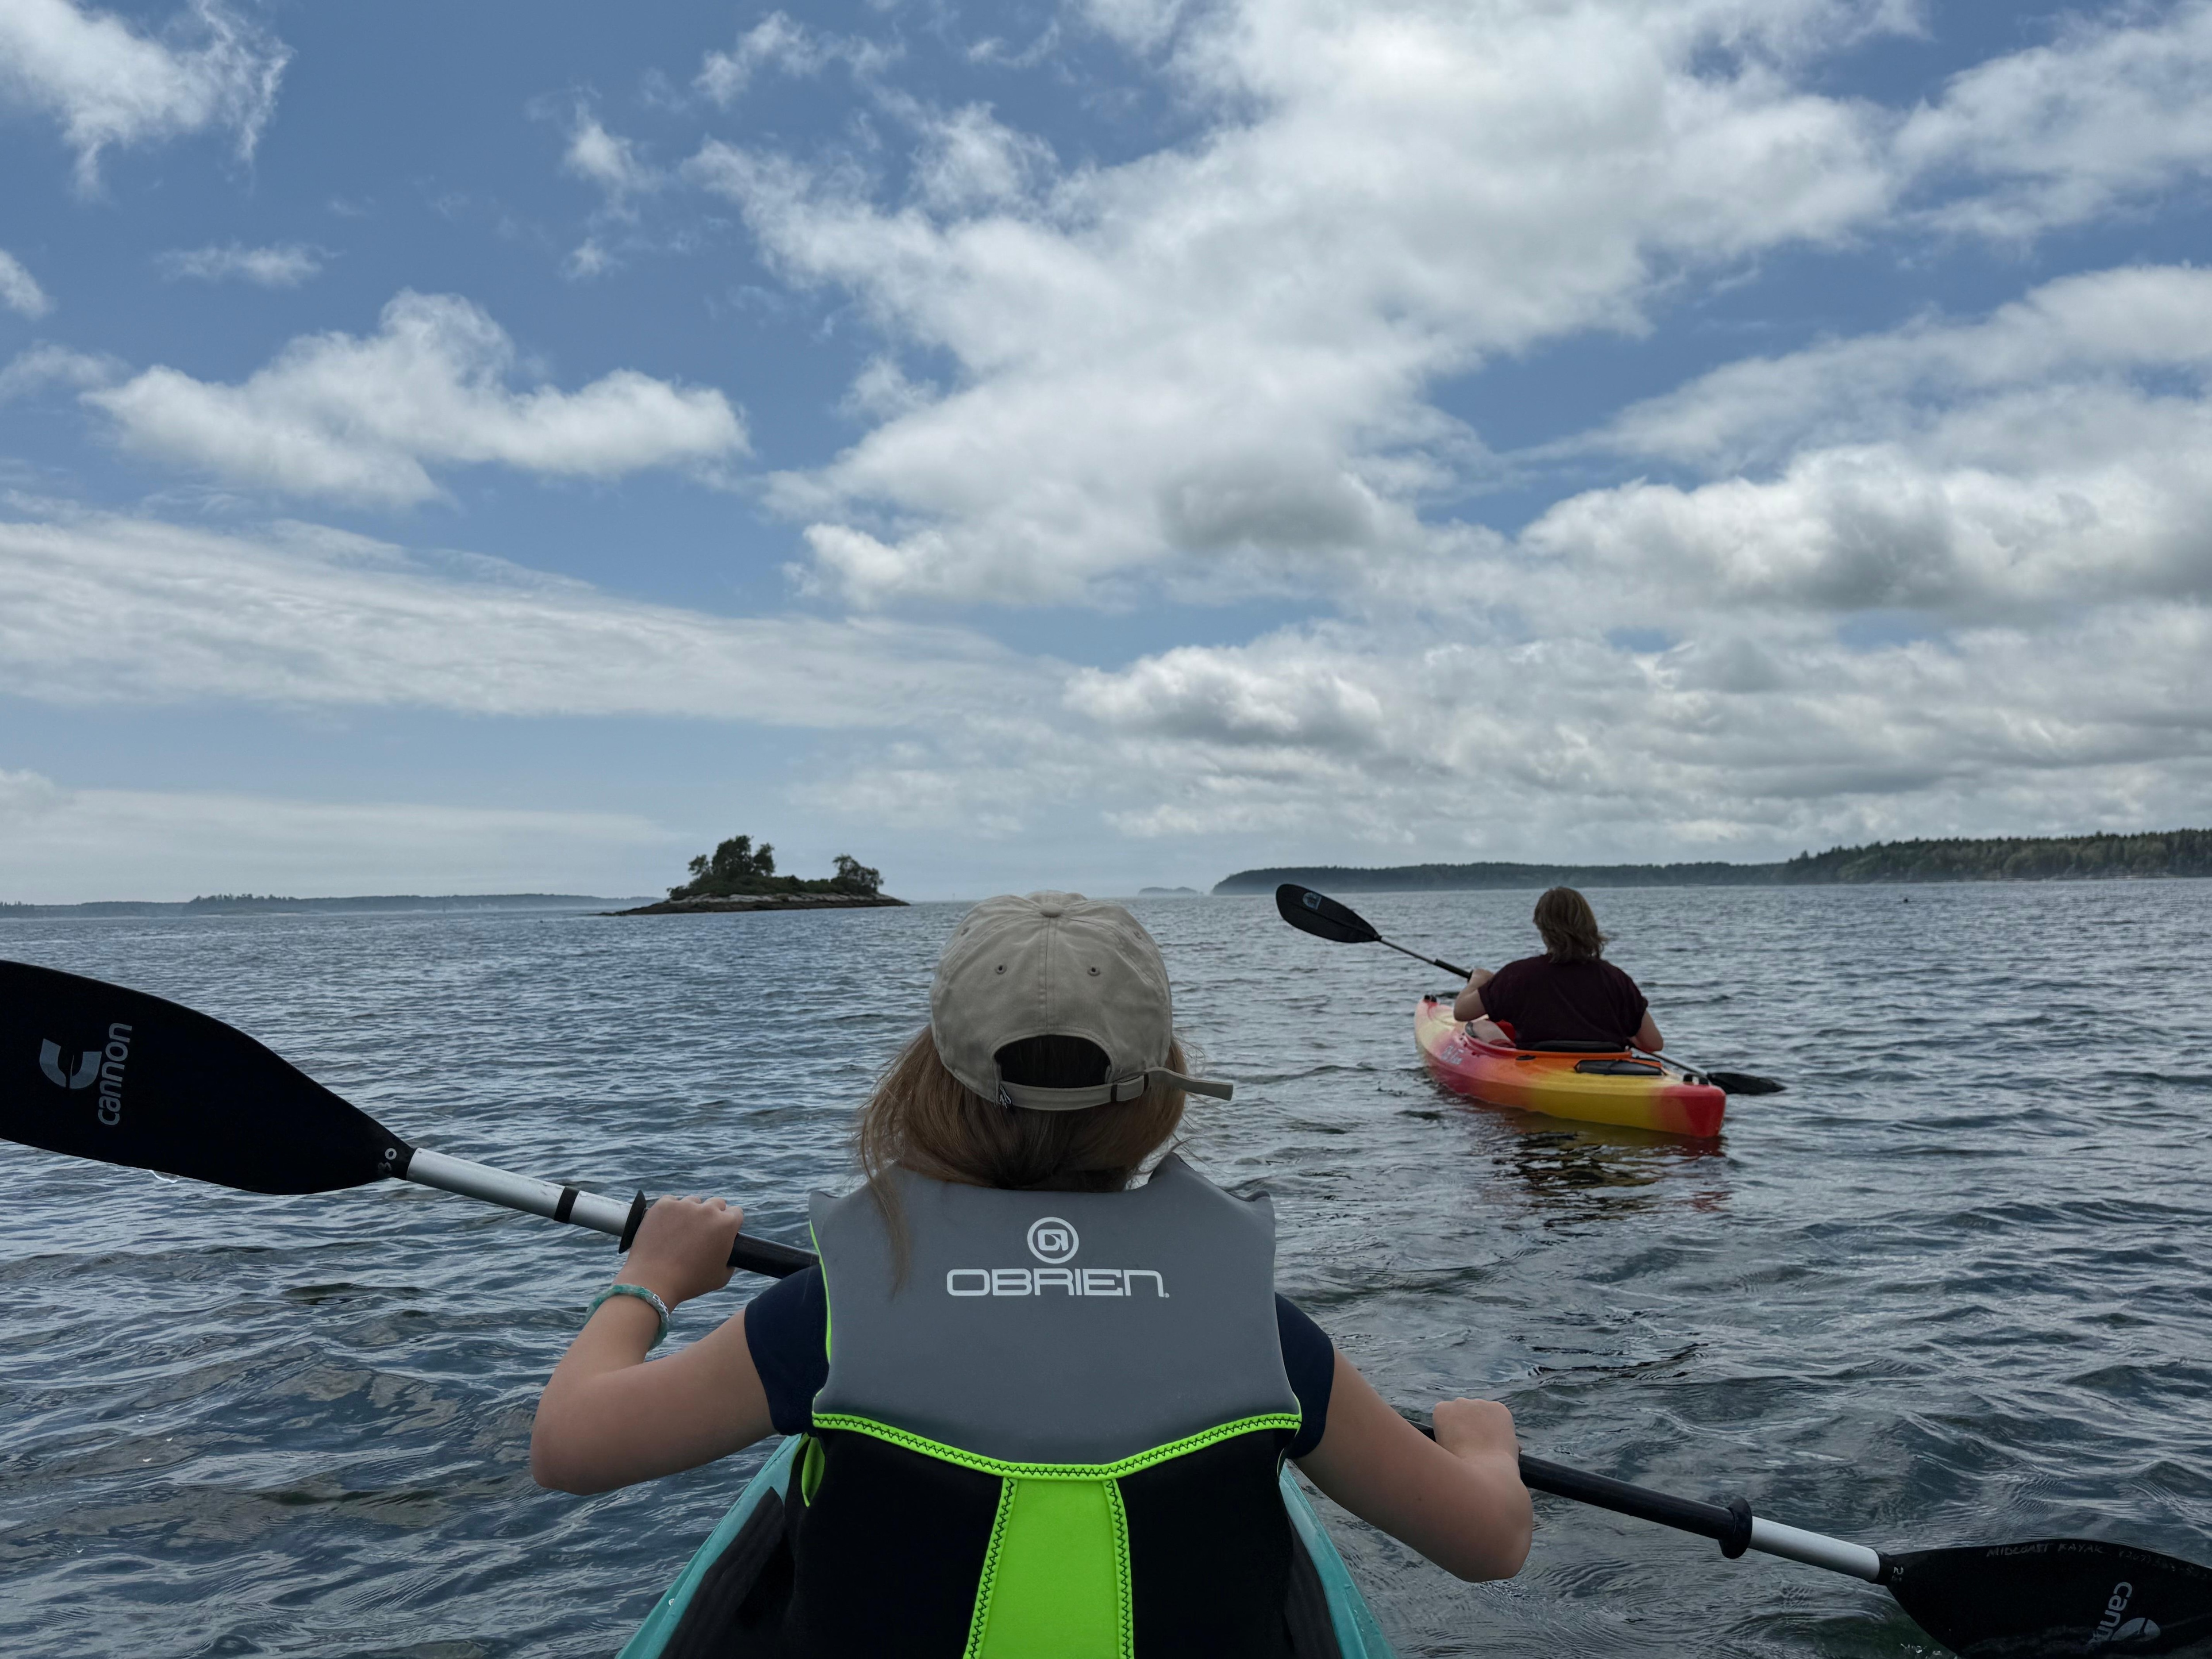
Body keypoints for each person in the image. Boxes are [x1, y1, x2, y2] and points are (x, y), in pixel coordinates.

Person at [533, 891, 1531, 1656]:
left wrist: (649, 1282)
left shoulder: (828, 1316)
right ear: (1162, 1088)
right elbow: (1488, 1545)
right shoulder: (1262, 1337)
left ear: (926, 1077)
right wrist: (1484, 1444)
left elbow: (571, 1446)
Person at [1453, 886, 1662, 1052]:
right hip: (1606, 1065)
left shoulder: (1517, 975)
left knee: (1479, 1026)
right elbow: (1653, 1043)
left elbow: (1462, 1012)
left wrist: (1478, 981)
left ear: (1541, 926)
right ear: (1589, 925)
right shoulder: (1615, 978)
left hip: (1540, 1066)